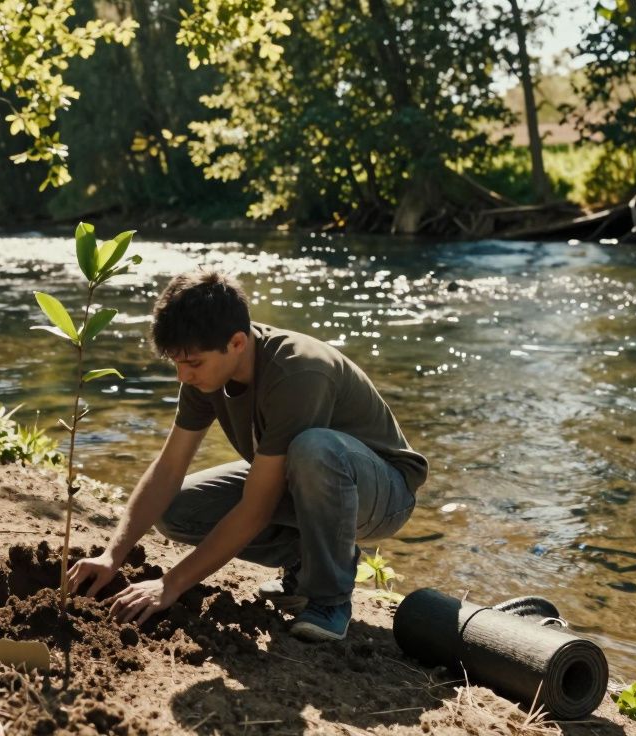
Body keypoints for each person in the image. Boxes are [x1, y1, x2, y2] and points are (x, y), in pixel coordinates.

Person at [66, 270, 427, 641]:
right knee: (177, 511)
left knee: (313, 447)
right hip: (303, 479)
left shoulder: (297, 371)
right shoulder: (204, 371)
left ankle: (329, 599)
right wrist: (112, 555)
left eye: (192, 364)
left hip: (381, 494)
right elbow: (169, 467)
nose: (182, 376)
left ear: (237, 342)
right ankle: (306, 563)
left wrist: (171, 584)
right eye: (176, 363)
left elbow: (257, 508)